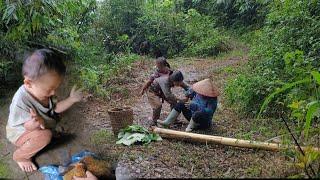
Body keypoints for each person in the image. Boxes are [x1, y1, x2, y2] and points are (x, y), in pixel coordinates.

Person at [6, 49, 84, 173]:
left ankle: (47, 130)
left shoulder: (45, 93)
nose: (53, 92)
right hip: (21, 132)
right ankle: (21, 156)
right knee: (44, 136)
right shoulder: (20, 100)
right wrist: (36, 123)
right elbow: (26, 125)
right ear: (28, 83)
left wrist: (71, 99)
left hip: (40, 124)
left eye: (55, 88)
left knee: (51, 124)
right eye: (49, 89)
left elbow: (56, 108)